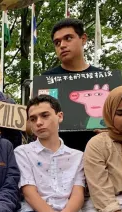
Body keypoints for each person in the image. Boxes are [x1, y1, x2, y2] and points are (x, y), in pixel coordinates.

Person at [15, 94, 115, 212]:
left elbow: (78, 194)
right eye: (33, 119)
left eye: (45, 116)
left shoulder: (77, 156)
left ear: (60, 116)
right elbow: (29, 193)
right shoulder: (22, 152)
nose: (39, 122)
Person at [42, 18, 105, 152]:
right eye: (57, 42)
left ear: (83, 39)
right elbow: (33, 122)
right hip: (56, 155)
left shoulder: (104, 79)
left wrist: (113, 130)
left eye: (68, 38)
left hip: (98, 155)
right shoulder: (45, 80)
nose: (62, 45)